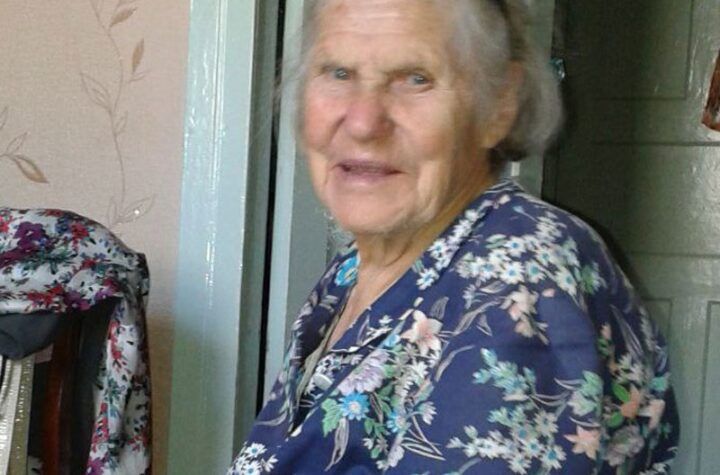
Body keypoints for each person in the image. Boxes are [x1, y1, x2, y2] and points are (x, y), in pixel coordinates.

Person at [229, 0, 679, 473]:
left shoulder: (518, 281)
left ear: (499, 104)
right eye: (338, 73)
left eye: (415, 78)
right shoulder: (359, 267)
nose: (362, 121)